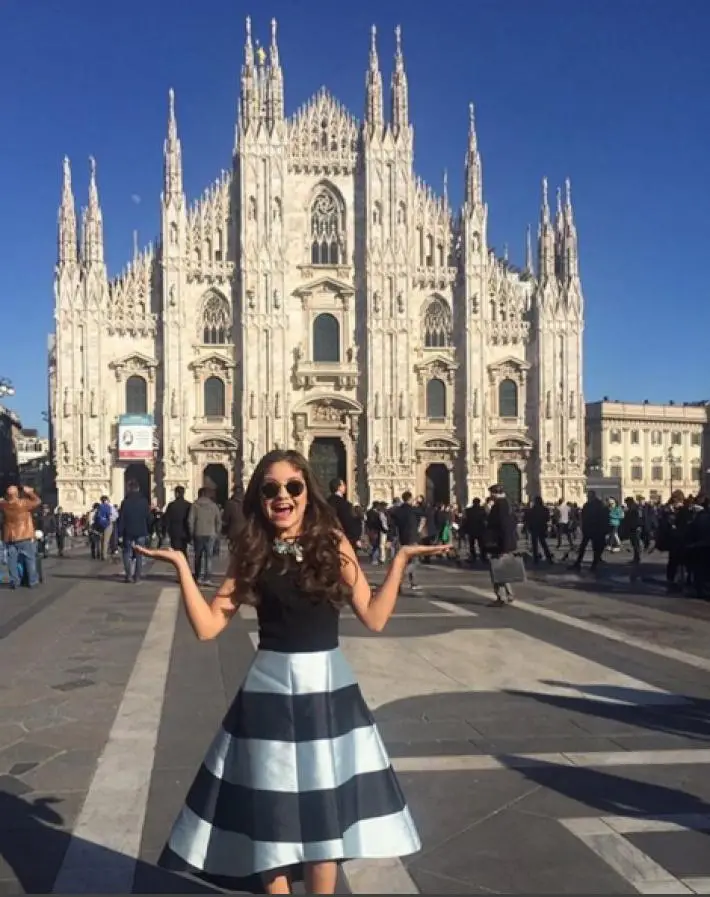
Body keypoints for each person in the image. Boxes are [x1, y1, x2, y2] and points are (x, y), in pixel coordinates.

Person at [136, 448, 448, 894]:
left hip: (327, 689)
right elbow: (207, 627)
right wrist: (183, 568)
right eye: (270, 489)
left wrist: (399, 562)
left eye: (293, 487)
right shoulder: (252, 551)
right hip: (268, 694)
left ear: (307, 493)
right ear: (260, 498)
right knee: (272, 812)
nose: (282, 496)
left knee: (323, 817)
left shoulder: (332, 543)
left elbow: (375, 617)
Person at [0, 485, 41, 589]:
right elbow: (37, 501)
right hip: (24, 535)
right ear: (17, 494)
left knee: (12, 561)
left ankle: (15, 581)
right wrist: (30, 492)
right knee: (29, 559)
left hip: (10, 537)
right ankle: (32, 581)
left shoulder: (3, 504)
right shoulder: (23, 503)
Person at [486, 484, 519, 604]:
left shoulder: (499, 506)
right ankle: (509, 594)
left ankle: (501, 597)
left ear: (494, 493)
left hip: (499, 544)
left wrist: (503, 547)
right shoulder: (508, 504)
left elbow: (502, 526)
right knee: (503, 570)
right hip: (505, 543)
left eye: (491, 493)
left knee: (496, 570)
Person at [117, 480, 152, 583]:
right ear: (138, 488)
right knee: (139, 555)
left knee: (126, 553)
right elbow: (148, 517)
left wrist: (120, 533)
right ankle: (137, 576)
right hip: (141, 531)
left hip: (128, 531)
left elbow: (122, 519)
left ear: (129, 489)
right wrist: (149, 530)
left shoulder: (125, 502)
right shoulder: (144, 501)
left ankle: (128, 576)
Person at [188, 487, 222, 585]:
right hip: (211, 533)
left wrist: (191, 533)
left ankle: (198, 577)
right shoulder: (214, 506)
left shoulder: (195, 505)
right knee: (209, 557)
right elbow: (218, 521)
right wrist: (217, 533)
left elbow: (190, 520)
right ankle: (207, 578)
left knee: (198, 556)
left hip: (198, 533)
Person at [326, 477, 361, 548]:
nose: (345, 486)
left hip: (328, 536)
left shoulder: (326, 502)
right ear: (339, 487)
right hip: (343, 538)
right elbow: (348, 522)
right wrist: (356, 538)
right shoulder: (344, 504)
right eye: (343, 485)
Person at [162, 486, 192, 557]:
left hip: (174, 532)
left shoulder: (171, 505)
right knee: (184, 550)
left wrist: (165, 532)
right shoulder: (189, 505)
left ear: (176, 493)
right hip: (185, 532)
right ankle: (184, 562)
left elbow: (167, 519)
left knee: (176, 552)